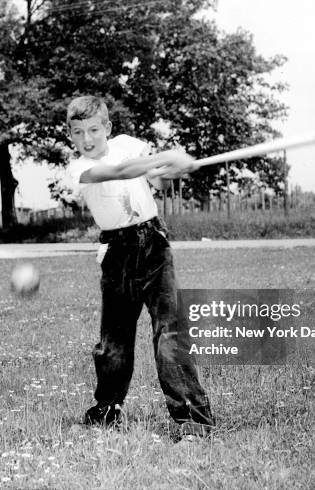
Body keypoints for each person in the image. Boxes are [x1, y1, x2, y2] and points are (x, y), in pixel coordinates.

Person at [66, 95, 215, 436]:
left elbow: (156, 180)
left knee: (170, 331)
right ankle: (107, 410)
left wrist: (172, 168)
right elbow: (119, 171)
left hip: (153, 244)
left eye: (93, 130)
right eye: (78, 133)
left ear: (108, 127)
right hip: (116, 252)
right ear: (71, 137)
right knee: (113, 342)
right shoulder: (76, 170)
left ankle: (193, 421)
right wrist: (165, 157)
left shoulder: (128, 145)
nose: (87, 139)